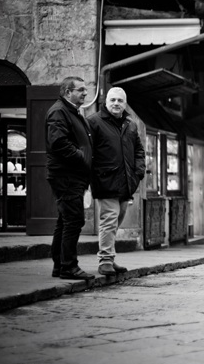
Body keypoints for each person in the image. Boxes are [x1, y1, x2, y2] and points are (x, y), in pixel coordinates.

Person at [88, 87, 145, 276]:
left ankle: (110, 259)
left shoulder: (130, 124)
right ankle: (105, 261)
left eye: (120, 101)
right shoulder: (94, 122)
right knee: (109, 220)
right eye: (112, 100)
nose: (116, 104)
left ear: (125, 103)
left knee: (117, 220)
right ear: (105, 101)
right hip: (105, 181)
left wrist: (138, 172)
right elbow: (87, 151)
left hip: (126, 181)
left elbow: (139, 150)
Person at [45, 76, 95, 280]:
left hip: (72, 174)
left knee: (65, 221)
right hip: (66, 175)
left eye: (85, 89)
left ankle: (60, 265)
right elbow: (58, 143)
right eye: (80, 90)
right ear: (68, 92)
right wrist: (82, 158)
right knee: (74, 220)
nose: (85, 93)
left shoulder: (71, 111)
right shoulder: (59, 111)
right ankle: (68, 267)